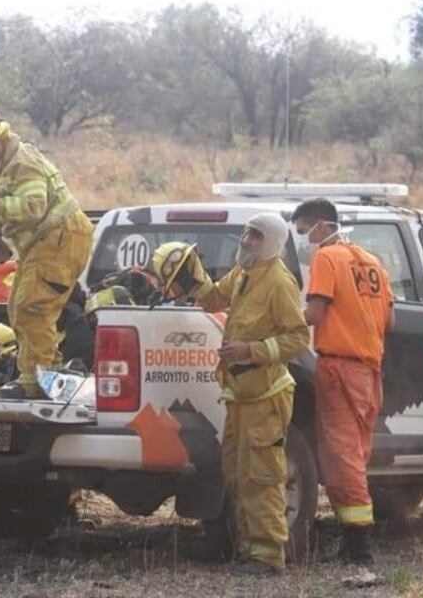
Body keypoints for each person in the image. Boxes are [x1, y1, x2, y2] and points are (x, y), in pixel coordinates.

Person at [152, 213, 310, 575]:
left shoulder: (278, 282)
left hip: (267, 395)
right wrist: (188, 274)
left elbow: (298, 338)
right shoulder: (243, 273)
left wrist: (251, 351)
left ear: (270, 241)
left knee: (263, 475)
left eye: (254, 235)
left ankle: (268, 556)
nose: (245, 239)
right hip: (240, 394)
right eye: (245, 233)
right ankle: (246, 549)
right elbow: (212, 298)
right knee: (237, 474)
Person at [0, 110, 94, 399]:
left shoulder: (23, 164)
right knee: (18, 308)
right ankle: (41, 375)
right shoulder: (10, 166)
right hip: (47, 243)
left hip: (60, 240)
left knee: (33, 308)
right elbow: (16, 204)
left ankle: (38, 384)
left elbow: (33, 207)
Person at [291, 198, 394, 565]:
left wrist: (284, 317)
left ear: (321, 226)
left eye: (304, 231)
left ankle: (359, 548)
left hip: (339, 367)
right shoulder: (372, 261)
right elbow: (390, 321)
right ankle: (353, 543)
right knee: (357, 454)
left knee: (341, 457)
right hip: (370, 370)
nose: (304, 240)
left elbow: (315, 312)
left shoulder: (327, 258)